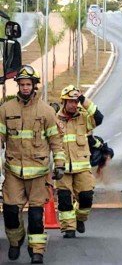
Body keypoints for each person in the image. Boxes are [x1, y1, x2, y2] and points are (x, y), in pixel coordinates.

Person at [0, 65, 65, 264]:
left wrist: (59, 164)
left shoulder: (46, 111)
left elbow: (56, 141)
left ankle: (37, 251)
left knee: (36, 217)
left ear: (34, 85)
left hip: (39, 174)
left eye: (28, 84)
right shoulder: (6, 110)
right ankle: (16, 240)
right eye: (22, 84)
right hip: (13, 172)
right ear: (18, 85)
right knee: (11, 213)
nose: (25, 87)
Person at [55, 85, 104, 239]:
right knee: (64, 200)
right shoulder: (54, 120)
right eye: (70, 101)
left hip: (82, 168)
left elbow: (99, 117)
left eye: (76, 102)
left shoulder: (84, 118)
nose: (74, 105)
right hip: (63, 169)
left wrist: (84, 99)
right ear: (63, 102)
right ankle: (68, 228)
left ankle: (80, 218)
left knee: (86, 198)